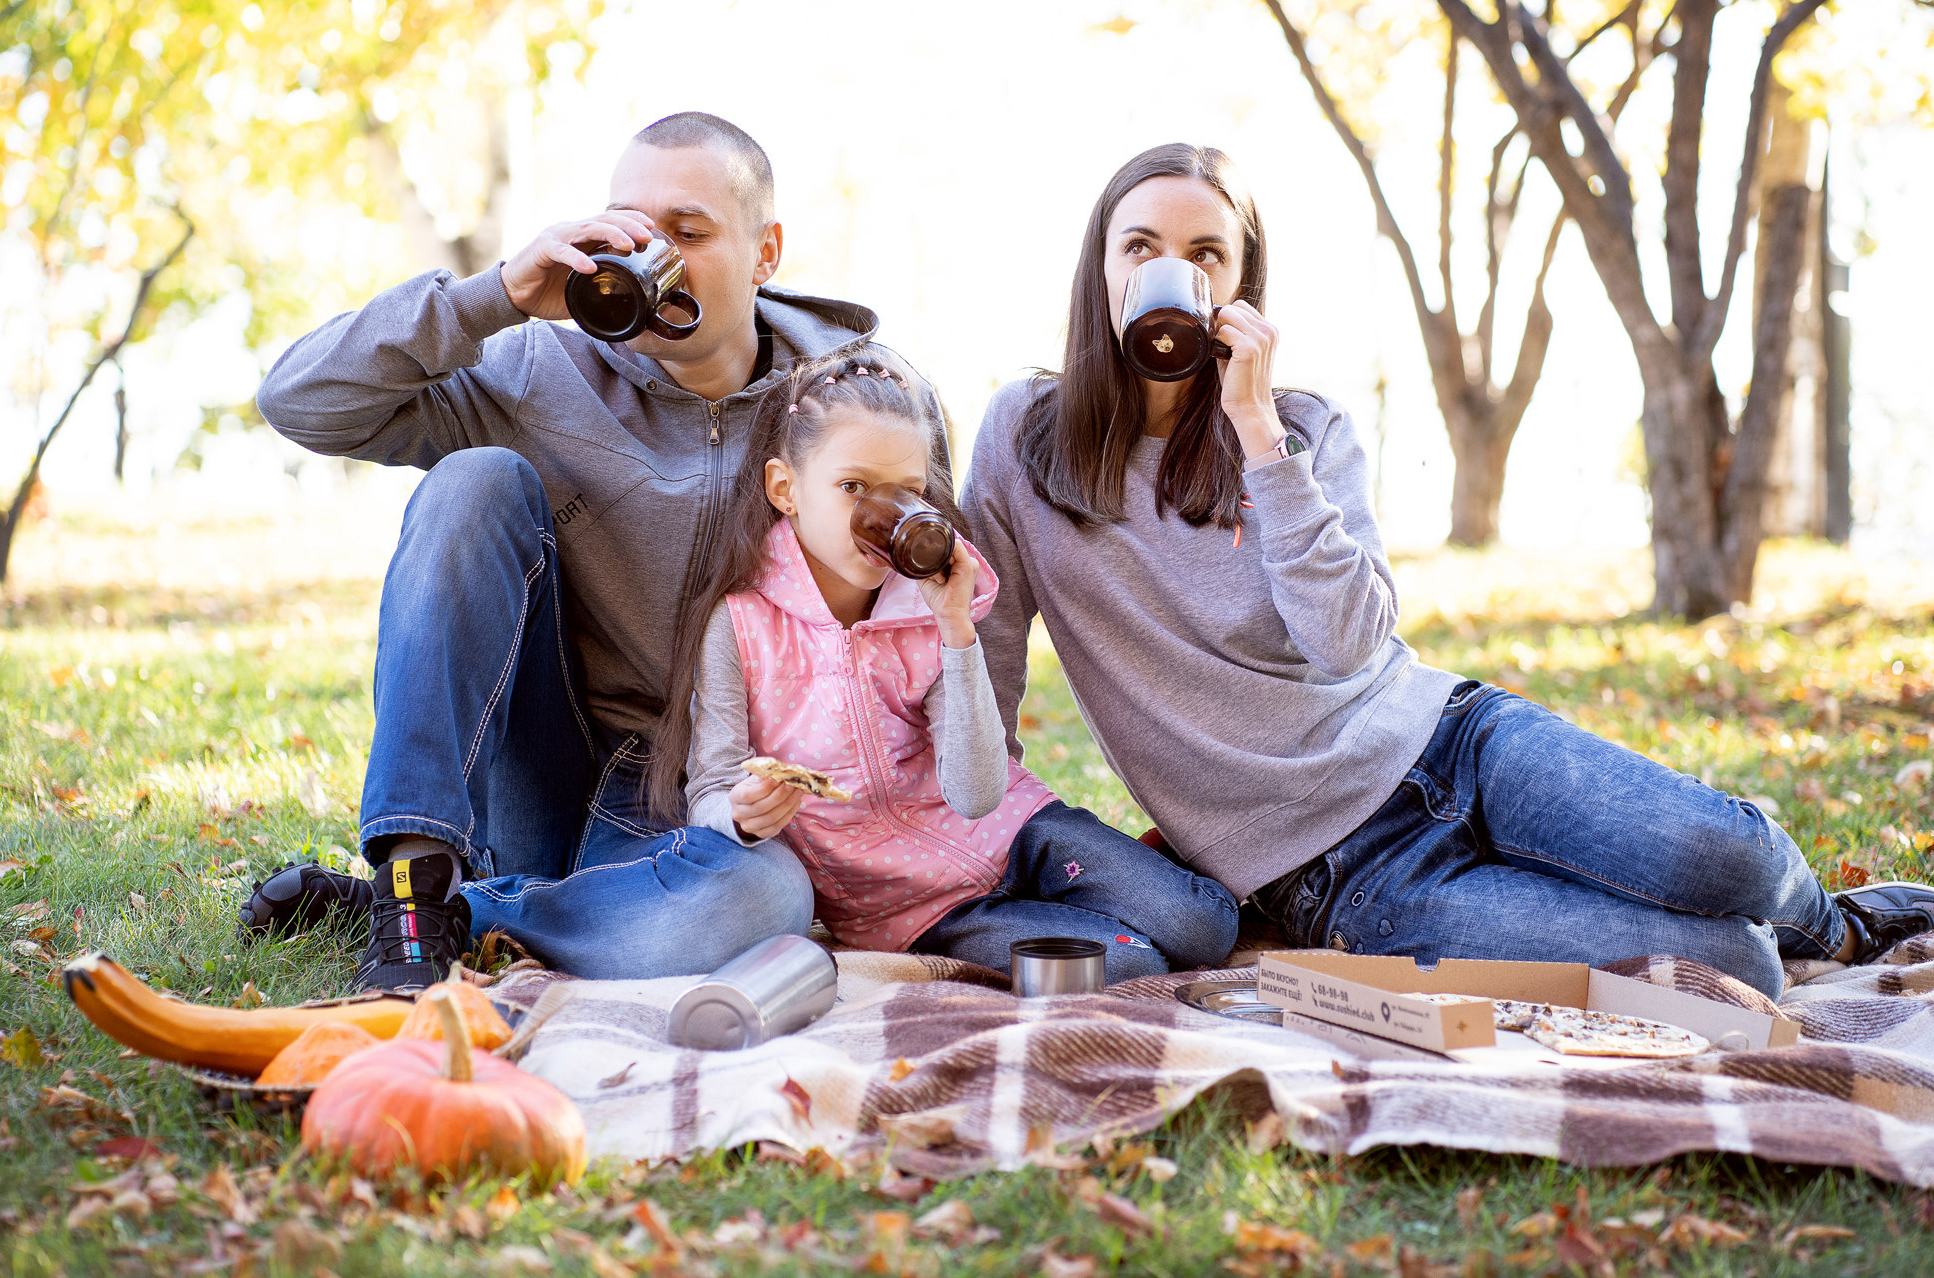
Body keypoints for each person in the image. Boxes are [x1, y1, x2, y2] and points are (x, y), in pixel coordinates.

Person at [960, 142, 1934, 1002]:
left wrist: (1256, 433)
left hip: (1449, 740)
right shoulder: (1022, 441)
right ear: (1100, 270)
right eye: (1139, 247)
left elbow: (1348, 645)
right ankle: (1793, 935)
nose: (1169, 270)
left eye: (1204, 253)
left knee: (1728, 853)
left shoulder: (1299, 430)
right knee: (1737, 966)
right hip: (1341, 875)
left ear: (1239, 285)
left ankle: (1834, 923)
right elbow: (983, 689)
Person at [238, 113, 885, 989]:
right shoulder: (539, 366)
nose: (657, 257)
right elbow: (298, 402)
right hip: (539, 768)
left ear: (766, 250)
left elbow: (922, 622)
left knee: (766, 901)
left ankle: (449, 913)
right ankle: (415, 876)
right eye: (634, 229)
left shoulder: (857, 410)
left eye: (689, 234)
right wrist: (497, 294)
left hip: (705, 797)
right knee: (473, 482)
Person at [639, 348, 1238, 981]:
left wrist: (955, 629)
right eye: (853, 488)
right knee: (1124, 964)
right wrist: (737, 814)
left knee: (1205, 929)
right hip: (915, 909)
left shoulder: (923, 604)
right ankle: (1090, 908)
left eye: (908, 493)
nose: (883, 515)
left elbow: (977, 794)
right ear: (785, 489)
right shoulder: (740, 624)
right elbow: (709, 784)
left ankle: (1118, 881)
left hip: (1014, 832)